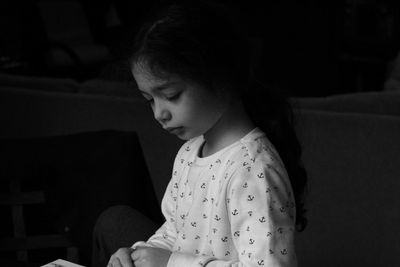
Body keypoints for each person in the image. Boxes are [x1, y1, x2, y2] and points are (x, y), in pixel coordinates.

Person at [94, 1, 307, 266]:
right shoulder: (189, 152)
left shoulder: (252, 168)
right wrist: (141, 254)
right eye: (150, 100)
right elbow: (174, 232)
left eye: (171, 96)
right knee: (114, 221)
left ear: (221, 77)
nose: (159, 113)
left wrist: (172, 263)